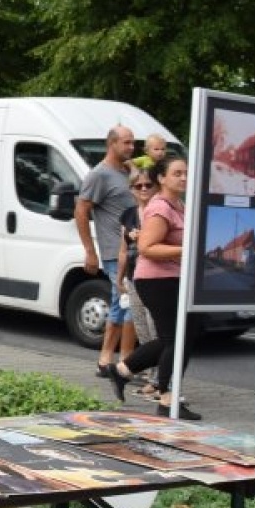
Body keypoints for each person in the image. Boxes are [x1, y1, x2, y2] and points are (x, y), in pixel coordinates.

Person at [106, 155, 202, 419]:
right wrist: (186, 249)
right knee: (176, 340)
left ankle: (122, 371)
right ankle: (167, 401)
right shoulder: (160, 207)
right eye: (177, 173)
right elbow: (147, 247)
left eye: (186, 173)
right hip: (157, 280)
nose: (184, 178)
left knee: (176, 338)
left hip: (173, 278)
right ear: (161, 178)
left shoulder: (179, 205)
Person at [76, 125, 137, 377]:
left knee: (121, 304)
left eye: (133, 142)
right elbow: (81, 211)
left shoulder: (128, 171)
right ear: (111, 144)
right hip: (114, 251)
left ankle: (106, 360)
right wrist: (90, 251)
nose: (132, 147)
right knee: (129, 304)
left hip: (135, 250)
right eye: (127, 143)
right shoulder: (99, 175)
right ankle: (126, 363)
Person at [112, 165, 159, 400]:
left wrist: (144, 239)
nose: (143, 189)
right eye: (137, 186)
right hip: (134, 278)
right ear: (131, 189)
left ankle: (161, 381)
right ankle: (153, 379)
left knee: (156, 329)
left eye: (148, 185)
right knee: (142, 330)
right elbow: (123, 250)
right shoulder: (129, 215)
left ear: (156, 186)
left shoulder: (158, 213)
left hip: (154, 279)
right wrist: (119, 277)